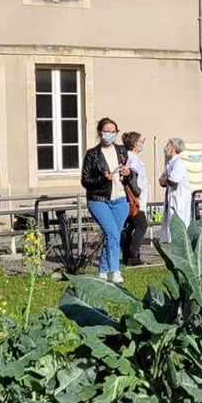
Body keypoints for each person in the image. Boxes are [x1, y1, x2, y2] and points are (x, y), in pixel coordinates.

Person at [80, 118, 137, 282]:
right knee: (112, 232)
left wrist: (128, 173)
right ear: (100, 132)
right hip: (99, 199)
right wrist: (104, 178)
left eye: (113, 131)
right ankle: (115, 270)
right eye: (107, 131)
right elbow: (86, 181)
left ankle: (103, 271)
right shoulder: (93, 154)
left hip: (120, 199)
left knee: (113, 235)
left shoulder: (121, 151)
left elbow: (130, 175)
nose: (110, 134)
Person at [120, 131, 150, 266]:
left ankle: (126, 255)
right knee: (141, 225)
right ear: (135, 144)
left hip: (131, 199)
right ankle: (133, 255)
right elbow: (133, 179)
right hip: (135, 200)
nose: (142, 144)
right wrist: (137, 195)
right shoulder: (133, 159)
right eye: (140, 141)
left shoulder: (129, 157)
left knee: (129, 226)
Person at [158, 137, 192, 243]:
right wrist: (165, 179)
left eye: (168, 145)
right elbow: (161, 181)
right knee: (170, 225)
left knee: (178, 224)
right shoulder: (170, 163)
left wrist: (165, 179)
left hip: (179, 199)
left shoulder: (178, 163)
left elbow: (172, 181)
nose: (166, 147)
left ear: (173, 147)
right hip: (171, 197)